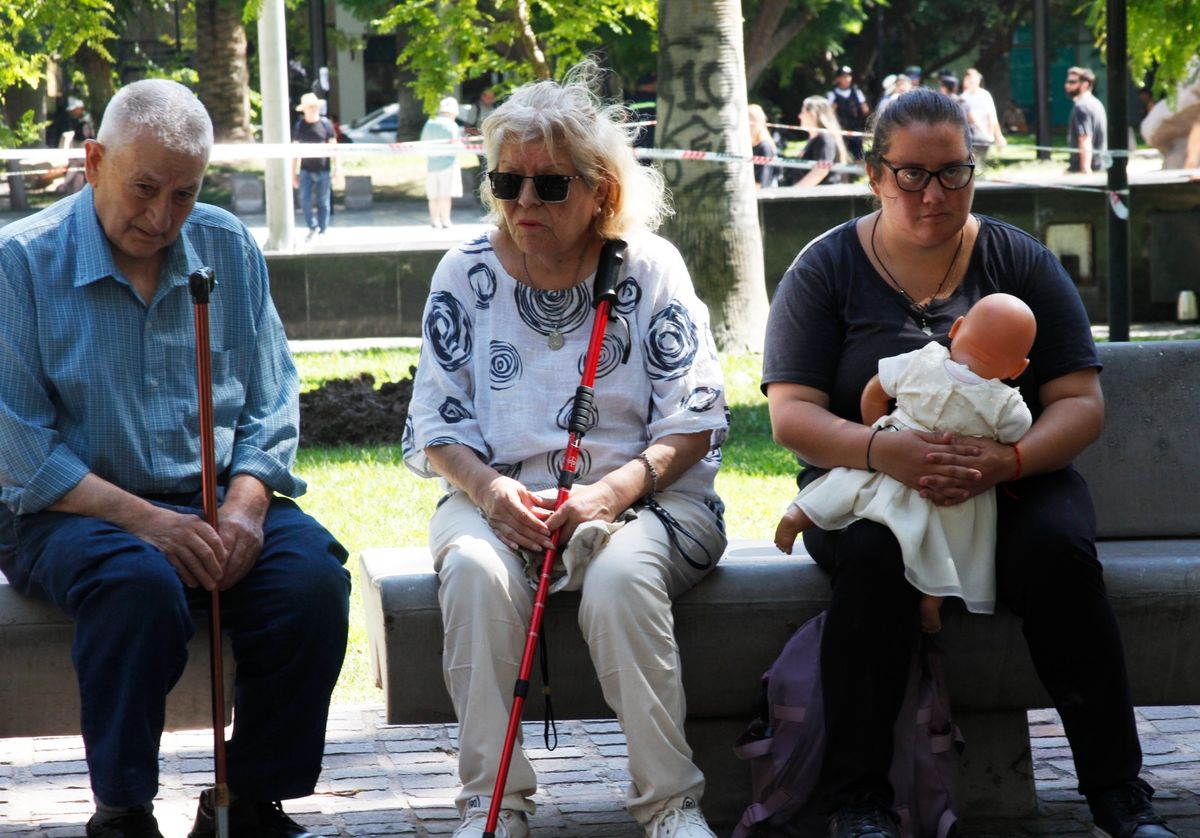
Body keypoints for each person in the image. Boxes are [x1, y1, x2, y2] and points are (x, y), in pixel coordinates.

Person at [761, 88, 1176, 838]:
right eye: (912, 174)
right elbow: (791, 415)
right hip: (868, 483)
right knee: (872, 557)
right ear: (876, 175)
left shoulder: (1018, 259)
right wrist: (882, 449)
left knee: (1059, 554)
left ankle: (1119, 793)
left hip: (1013, 482)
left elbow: (1080, 402)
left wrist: (1005, 462)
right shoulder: (824, 269)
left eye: (952, 172)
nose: (933, 192)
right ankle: (858, 802)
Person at [0, 78, 351, 838]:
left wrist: (250, 505)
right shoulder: (19, 263)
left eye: (184, 195)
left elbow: (273, 398)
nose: (161, 218)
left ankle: (250, 801)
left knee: (313, 583)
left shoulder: (227, 246)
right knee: (137, 586)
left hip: (217, 498)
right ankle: (122, 812)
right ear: (93, 161)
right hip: (69, 511)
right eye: (144, 189)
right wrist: (149, 524)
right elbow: (20, 450)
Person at [403, 60, 729, 838]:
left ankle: (670, 806)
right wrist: (490, 495)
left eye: (548, 186)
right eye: (504, 182)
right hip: (495, 496)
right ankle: (493, 808)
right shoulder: (465, 273)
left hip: (644, 500)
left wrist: (607, 497)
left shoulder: (649, 269)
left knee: (618, 580)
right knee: (478, 573)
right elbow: (436, 423)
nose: (522, 203)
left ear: (600, 194)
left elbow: (697, 417)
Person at [774, 294, 1036, 635]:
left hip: (893, 447)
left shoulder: (922, 360)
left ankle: (799, 515)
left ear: (956, 330)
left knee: (849, 484)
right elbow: (1016, 436)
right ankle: (932, 599)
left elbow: (874, 391)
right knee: (953, 535)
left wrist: (877, 435)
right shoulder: (1006, 405)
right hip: (947, 480)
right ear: (1018, 368)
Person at [292, 91, 338, 242]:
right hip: (305, 169)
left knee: (323, 201)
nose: (313, 109)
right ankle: (312, 226)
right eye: (310, 107)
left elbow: (334, 147)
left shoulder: (326, 125)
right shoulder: (300, 126)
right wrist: (293, 173)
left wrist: (337, 168)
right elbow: (295, 151)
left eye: (315, 106)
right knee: (304, 201)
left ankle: (323, 229)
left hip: (324, 169)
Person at [420, 96, 464, 229]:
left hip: (432, 165)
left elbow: (422, 142)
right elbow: (457, 145)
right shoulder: (452, 125)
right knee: (445, 195)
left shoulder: (430, 122)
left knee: (433, 195)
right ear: (452, 112)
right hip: (448, 164)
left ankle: (434, 221)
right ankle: (445, 221)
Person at [793, 96, 849, 187]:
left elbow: (821, 171)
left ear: (812, 115)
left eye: (803, 112)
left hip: (823, 198)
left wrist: (794, 192)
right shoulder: (815, 139)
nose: (799, 116)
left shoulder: (825, 139)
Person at [960, 68, 1007, 162]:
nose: (971, 82)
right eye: (969, 79)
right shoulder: (963, 97)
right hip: (970, 137)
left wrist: (997, 136)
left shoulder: (985, 95)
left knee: (978, 164)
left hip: (984, 137)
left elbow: (992, 117)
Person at [1065, 67, 1108, 173]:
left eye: (1072, 82)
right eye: (1067, 81)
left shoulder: (1082, 106)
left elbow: (1085, 140)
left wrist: (1085, 170)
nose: (1067, 85)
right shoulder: (1095, 103)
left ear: (1085, 84)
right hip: (1099, 166)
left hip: (1089, 168)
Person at [827, 66, 869, 160]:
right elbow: (829, 114)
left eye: (848, 76)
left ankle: (859, 172)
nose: (847, 79)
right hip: (840, 129)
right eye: (844, 77)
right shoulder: (832, 94)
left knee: (858, 152)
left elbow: (865, 110)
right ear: (838, 78)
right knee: (841, 154)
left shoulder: (857, 92)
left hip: (855, 128)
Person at [748, 103, 780, 188]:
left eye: (750, 125)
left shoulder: (764, 147)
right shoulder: (754, 146)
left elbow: (762, 183)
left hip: (765, 197)